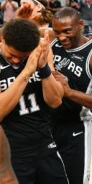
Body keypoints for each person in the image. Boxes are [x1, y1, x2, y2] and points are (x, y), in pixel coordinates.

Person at [50, 7, 92, 184]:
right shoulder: (51, 41)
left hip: (75, 128)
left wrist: (69, 93)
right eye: (57, 32)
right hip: (46, 125)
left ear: (80, 25)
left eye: (67, 31)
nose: (61, 37)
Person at [0, 18, 67, 183]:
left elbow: (55, 101)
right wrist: (27, 71)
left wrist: (43, 68)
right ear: (1, 40)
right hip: (13, 153)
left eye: (22, 57)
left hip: (45, 146)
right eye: (12, 55)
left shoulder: (40, 52)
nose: (16, 60)